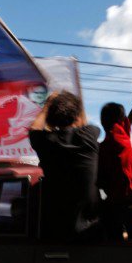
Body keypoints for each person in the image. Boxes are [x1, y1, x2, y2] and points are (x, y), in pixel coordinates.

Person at [29, 91, 102, 241]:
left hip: (56, 231)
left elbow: (34, 129)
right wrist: (78, 104)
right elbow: (83, 124)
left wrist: (48, 105)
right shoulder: (89, 135)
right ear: (77, 116)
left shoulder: (46, 142)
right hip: (90, 232)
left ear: (51, 119)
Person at [97, 58, 132, 241]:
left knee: (114, 245)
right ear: (121, 121)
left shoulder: (101, 148)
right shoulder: (122, 133)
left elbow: (101, 181)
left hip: (113, 204)